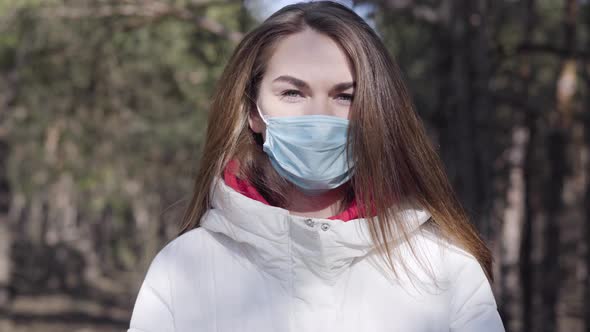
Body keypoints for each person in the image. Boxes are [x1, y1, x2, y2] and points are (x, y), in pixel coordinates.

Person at [127, 1, 506, 331]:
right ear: (254, 113)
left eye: (345, 96)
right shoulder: (183, 270)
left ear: (376, 111)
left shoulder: (445, 268)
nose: (319, 115)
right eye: (292, 92)